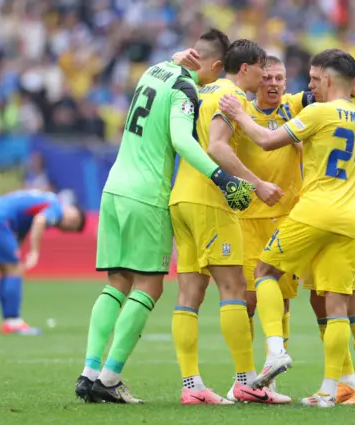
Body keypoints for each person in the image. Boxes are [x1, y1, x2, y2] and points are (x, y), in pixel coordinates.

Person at [170, 52, 355, 400]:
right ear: (254, 79)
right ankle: (252, 375)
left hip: (292, 216)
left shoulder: (296, 107)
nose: (274, 84)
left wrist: (350, 89)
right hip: (250, 218)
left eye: (280, 78)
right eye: (267, 78)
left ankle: (271, 375)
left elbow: (328, 95)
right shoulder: (239, 109)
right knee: (249, 300)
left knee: (283, 302)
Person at [74, 29, 255, 405]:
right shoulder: (186, 88)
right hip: (147, 194)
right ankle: (109, 377)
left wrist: (174, 58)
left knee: (117, 282)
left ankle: (90, 371)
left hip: (114, 188)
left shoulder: (154, 70)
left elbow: (169, 69)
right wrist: (221, 177)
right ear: (217, 65)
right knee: (150, 286)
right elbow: (182, 139)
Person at [169, 39, 288, 405]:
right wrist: (257, 183)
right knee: (235, 289)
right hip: (210, 201)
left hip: (181, 197)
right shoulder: (227, 96)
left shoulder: (201, 90)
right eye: (261, 69)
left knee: (189, 295)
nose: (264, 77)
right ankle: (246, 382)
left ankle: (192, 386)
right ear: (246, 68)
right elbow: (217, 147)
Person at [302, 49, 355, 405]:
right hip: (324, 214)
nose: (312, 86)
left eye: (317, 78)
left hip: (351, 219)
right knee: (319, 298)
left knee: (350, 298)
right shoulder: (335, 107)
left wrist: (354, 100)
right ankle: (345, 380)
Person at [0, 189, 85, 335]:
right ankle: (13, 321)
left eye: (72, 228)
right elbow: (40, 220)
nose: (68, 225)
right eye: (74, 221)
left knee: (7, 270)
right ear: (70, 209)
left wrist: (16, 249)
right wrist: (34, 252)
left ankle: (8, 320)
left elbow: (24, 224)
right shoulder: (56, 206)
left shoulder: (45, 199)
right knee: (15, 269)